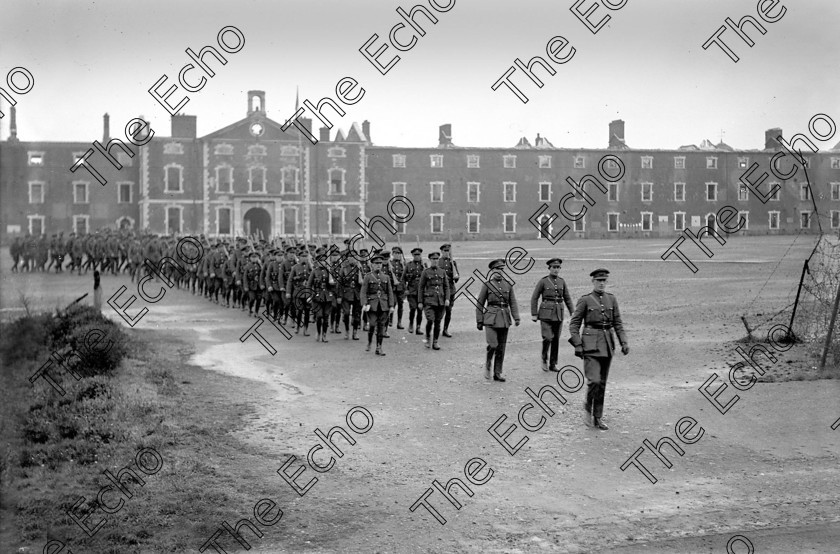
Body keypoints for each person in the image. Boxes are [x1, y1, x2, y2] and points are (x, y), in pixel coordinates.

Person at [568, 269, 629, 431]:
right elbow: (574, 324)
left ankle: (598, 417)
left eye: (604, 280)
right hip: (590, 346)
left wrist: (623, 342)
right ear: (593, 282)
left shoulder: (611, 299)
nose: (602, 283)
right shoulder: (585, 300)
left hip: (607, 345)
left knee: (602, 383)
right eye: (598, 280)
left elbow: (618, 323)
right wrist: (578, 344)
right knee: (594, 381)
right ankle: (588, 406)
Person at [476, 259, 520, 382]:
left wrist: (516, 317)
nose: (499, 272)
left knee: (501, 348)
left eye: (501, 269)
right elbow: (480, 303)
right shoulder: (487, 285)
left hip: (504, 318)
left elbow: (513, 302)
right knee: (493, 344)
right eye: (496, 269)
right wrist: (479, 320)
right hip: (490, 318)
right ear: (492, 271)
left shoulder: (508, 285)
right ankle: (488, 363)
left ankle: (497, 372)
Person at [531, 258, 575, 372]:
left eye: (558, 267)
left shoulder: (562, 281)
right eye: (553, 267)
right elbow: (534, 297)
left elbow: (567, 298)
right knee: (547, 337)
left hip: (558, 313)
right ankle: (544, 358)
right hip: (545, 313)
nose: (556, 270)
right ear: (549, 268)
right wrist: (534, 314)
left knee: (556, 339)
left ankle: (553, 363)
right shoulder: (543, 281)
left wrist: (572, 312)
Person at [360, 254, 395, 355]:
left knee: (381, 326)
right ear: (372, 265)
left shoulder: (386, 277)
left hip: (383, 305)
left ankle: (379, 347)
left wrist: (391, 305)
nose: (378, 265)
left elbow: (390, 292)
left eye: (380, 263)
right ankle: (370, 342)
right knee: (371, 325)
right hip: (372, 305)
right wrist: (364, 303)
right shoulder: (368, 277)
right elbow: (363, 292)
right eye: (376, 263)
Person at [418, 251, 450, 350]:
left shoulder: (442, 272)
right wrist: (420, 301)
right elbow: (421, 287)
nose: (435, 261)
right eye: (433, 259)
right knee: (430, 320)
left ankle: (435, 341)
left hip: (440, 301)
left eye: (436, 259)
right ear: (430, 260)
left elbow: (446, 287)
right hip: (429, 301)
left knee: (438, 322)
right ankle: (428, 338)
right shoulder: (426, 272)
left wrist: (447, 299)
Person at [403, 247, 426, 335]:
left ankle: (418, 327)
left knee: (420, 309)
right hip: (411, 291)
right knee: (413, 308)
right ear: (412, 255)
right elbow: (403, 279)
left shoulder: (424, 265)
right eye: (415, 255)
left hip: (421, 292)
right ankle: (411, 324)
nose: (417, 256)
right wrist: (405, 289)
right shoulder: (408, 265)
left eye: (419, 255)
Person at [439, 244, 459, 337]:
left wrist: (456, 276)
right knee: (440, 311)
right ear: (441, 251)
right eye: (445, 251)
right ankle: (437, 328)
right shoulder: (439, 262)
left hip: (451, 289)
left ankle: (445, 329)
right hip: (442, 290)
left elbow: (456, 277)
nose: (447, 253)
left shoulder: (453, 262)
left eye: (448, 251)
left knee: (449, 310)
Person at [389, 246, 406, 329]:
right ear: (393, 254)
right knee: (393, 303)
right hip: (392, 287)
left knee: (401, 305)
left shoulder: (403, 264)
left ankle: (399, 322)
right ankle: (390, 320)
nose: (397, 255)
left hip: (401, 288)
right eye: (395, 253)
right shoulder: (390, 263)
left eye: (399, 253)